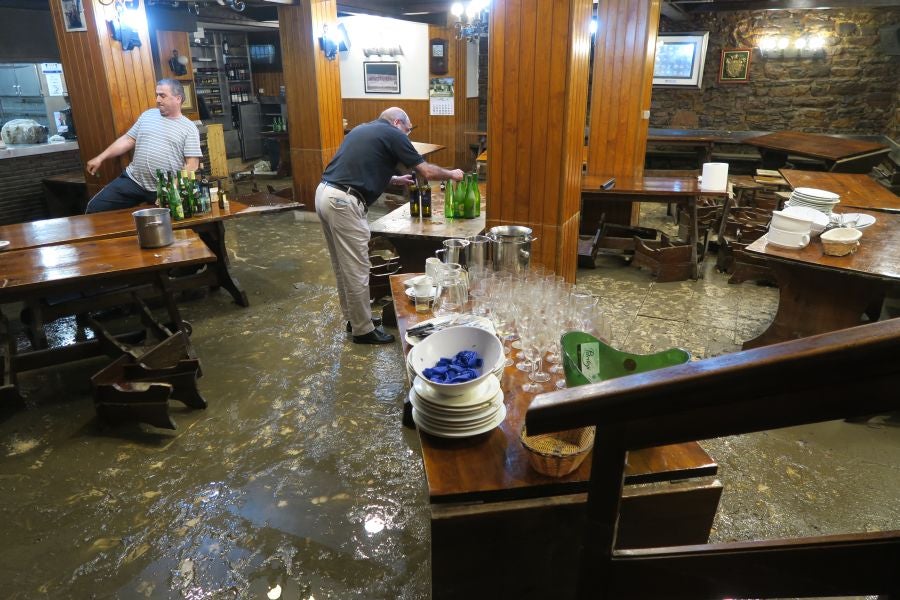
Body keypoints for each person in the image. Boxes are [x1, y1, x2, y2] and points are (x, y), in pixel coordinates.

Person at [318, 107, 465, 345]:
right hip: (344, 202)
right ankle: (363, 331)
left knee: (341, 264)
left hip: (325, 193)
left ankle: (355, 319)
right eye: (407, 130)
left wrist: (394, 179)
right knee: (356, 268)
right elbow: (425, 171)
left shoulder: (362, 130)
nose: (407, 135)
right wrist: (452, 173)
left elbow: (361, 167)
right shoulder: (394, 134)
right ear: (397, 123)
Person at [84, 79, 202, 213]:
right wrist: (100, 158)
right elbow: (128, 139)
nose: (157, 99)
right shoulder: (148, 116)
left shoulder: (189, 128)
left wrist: (172, 189)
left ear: (178, 98)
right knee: (94, 209)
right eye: (157, 95)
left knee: (174, 222)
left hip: (166, 187)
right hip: (134, 180)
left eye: (162, 96)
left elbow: (192, 165)